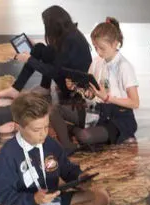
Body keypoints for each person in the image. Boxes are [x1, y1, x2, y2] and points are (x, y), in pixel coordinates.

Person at [0, 92, 109, 205]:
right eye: (36, 130)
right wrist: (33, 199)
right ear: (18, 127)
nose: (43, 134)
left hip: (53, 202)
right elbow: (5, 196)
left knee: (102, 196)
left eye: (46, 127)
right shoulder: (6, 156)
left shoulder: (50, 143)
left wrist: (80, 177)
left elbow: (67, 169)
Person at [55, 18, 140, 148]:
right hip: (98, 111)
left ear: (115, 44)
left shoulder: (124, 67)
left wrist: (107, 98)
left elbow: (134, 102)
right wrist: (76, 88)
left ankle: (74, 131)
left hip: (119, 117)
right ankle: (68, 145)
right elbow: (91, 94)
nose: (98, 52)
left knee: (85, 137)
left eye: (102, 48)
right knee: (54, 110)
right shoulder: (96, 62)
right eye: (95, 48)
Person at [0, 6, 93, 102]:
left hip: (72, 88)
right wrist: (34, 48)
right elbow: (57, 54)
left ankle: (32, 88)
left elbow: (54, 71)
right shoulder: (70, 32)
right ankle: (22, 89)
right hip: (69, 75)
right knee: (39, 48)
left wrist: (29, 59)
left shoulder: (70, 40)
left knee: (40, 55)